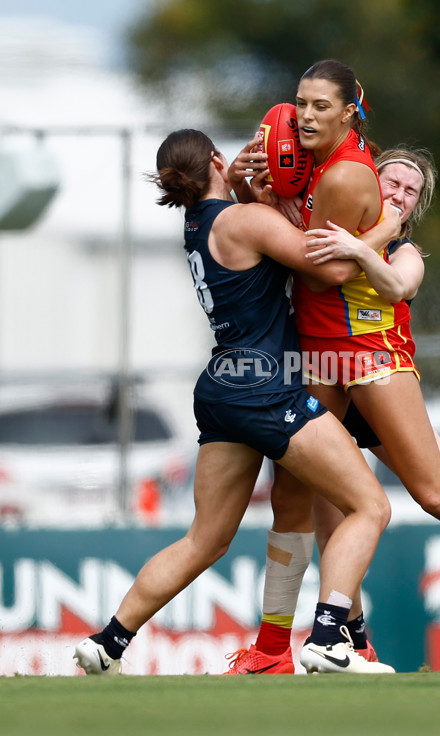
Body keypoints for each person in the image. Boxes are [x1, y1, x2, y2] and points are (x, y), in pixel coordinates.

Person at [223, 59, 440, 674]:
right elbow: (299, 231)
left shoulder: (397, 240)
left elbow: (372, 276)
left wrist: (357, 234)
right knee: (298, 498)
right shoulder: (324, 181)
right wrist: (256, 186)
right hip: (320, 361)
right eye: (393, 183)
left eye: (410, 193)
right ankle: (293, 644)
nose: (396, 194)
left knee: (439, 493)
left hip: (374, 365)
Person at [73, 127, 405, 676]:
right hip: (266, 387)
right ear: (216, 160)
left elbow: (264, 242)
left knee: (204, 539)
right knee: (371, 506)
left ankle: (108, 642)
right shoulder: (241, 220)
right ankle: (328, 640)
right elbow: (326, 263)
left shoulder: (200, 223)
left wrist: (253, 190)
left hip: (224, 386)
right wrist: (386, 229)